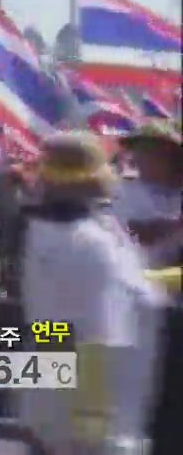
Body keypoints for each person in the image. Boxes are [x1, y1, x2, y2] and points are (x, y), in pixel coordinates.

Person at [19, 131, 168, 455]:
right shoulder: (87, 241)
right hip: (95, 422)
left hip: (76, 403)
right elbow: (92, 337)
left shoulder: (60, 232)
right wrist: (89, 429)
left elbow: (47, 330)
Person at [113, 119, 183, 268]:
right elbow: (139, 232)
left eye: (152, 150)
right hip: (140, 277)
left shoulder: (177, 191)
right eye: (139, 149)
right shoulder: (124, 190)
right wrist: (176, 224)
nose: (141, 156)